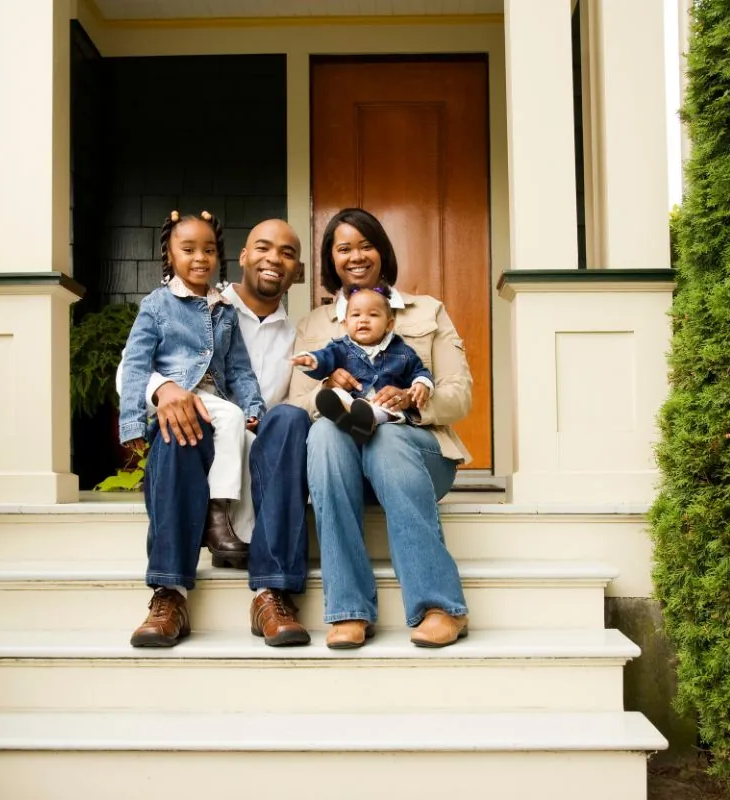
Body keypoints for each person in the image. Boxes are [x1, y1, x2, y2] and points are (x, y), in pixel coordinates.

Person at [123, 218, 313, 648]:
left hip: (262, 451)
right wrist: (165, 389)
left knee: (290, 419)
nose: (274, 260)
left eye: (287, 253)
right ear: (243, 257)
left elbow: (249, 379)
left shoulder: (300, 333)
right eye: (263, 248)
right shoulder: (194, 304)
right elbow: (131, 368)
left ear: (297, 268)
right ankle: (170, 593)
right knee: (180, 420)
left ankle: (271, 593)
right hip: (197, 444)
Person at [290, 207, 473, 650]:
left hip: (418, 455)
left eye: (365, 245)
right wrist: (329, 390)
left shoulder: (426, 311)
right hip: (343, 463)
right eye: (343, 248)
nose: (356, 256)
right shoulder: (316, 325)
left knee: (387, 438)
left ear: (383, 251)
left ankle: (440, 605)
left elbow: (460, 395)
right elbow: (296, 402)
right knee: (324, 433)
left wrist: (414, 400)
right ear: (330, 259)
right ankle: (349, 610)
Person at [292, 284, 433, 444]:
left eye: (373, 315)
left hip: (384, 406)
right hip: (353, 402)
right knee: (336, 395)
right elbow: (325, 358)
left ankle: (367, 420)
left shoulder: (402, 351)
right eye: (356, 315)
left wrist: (422, 384)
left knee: (386, 410)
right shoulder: (340, 348)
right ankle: (344, 416)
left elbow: (419, 370)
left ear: (389, 324)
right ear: (345, 324)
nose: (363, 320)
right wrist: (311, 361)